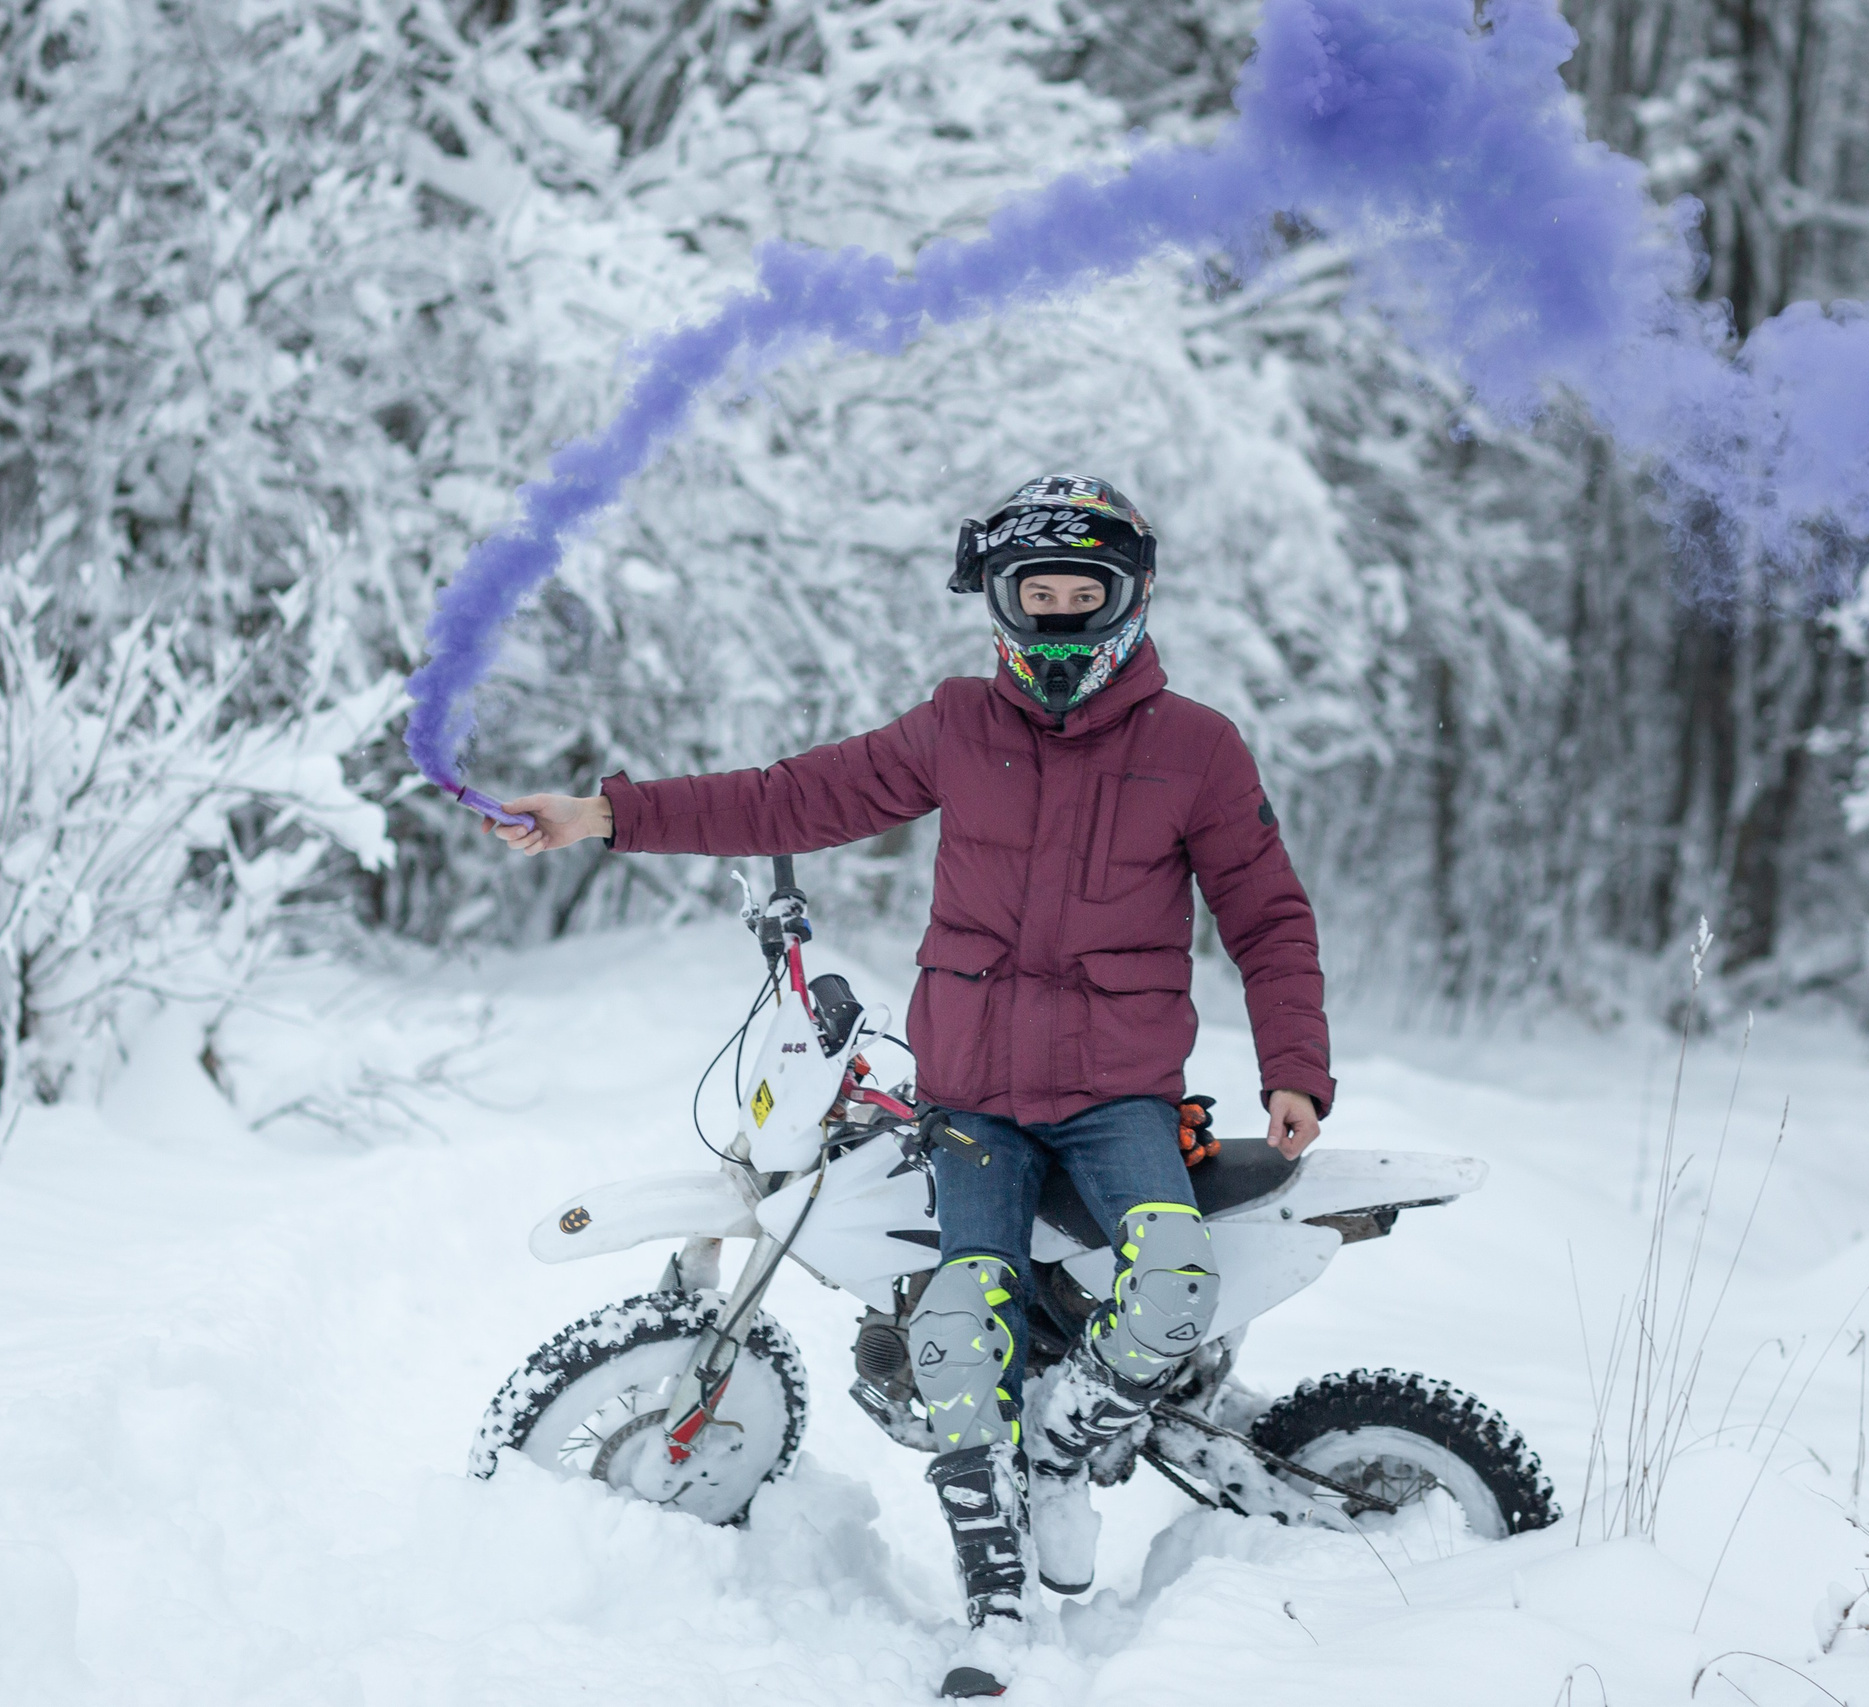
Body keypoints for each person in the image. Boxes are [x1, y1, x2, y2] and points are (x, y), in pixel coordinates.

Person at [489, 473, 1333, 1630]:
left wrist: (1294, 1064)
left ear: (1130, 599)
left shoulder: (1195, 748)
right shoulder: (958, 725)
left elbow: (1267, 914)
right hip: (975, 1101)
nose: (1058, 618)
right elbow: (790, 801)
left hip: (1116, 1099)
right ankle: (992, 1596)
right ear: (996, 600)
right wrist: (602, 814)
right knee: (950, 1327)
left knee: (1176, 1279)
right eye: (1034, 594)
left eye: (1083, 594)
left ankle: (1065, 1442)